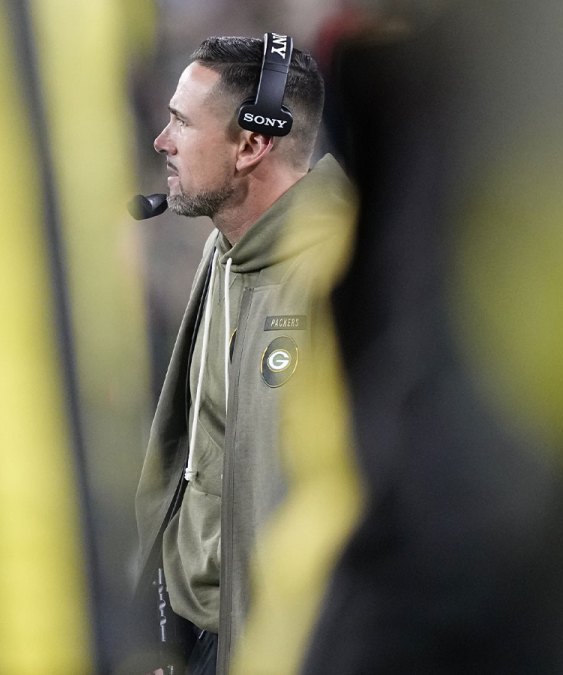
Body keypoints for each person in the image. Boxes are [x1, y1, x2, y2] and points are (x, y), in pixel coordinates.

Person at [132, 34, 351, 674]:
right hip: (191, 639)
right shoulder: (224, 250)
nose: (162, 142)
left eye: (181, 122)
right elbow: (193, 459)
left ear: (252, 144)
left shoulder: (335, 279)